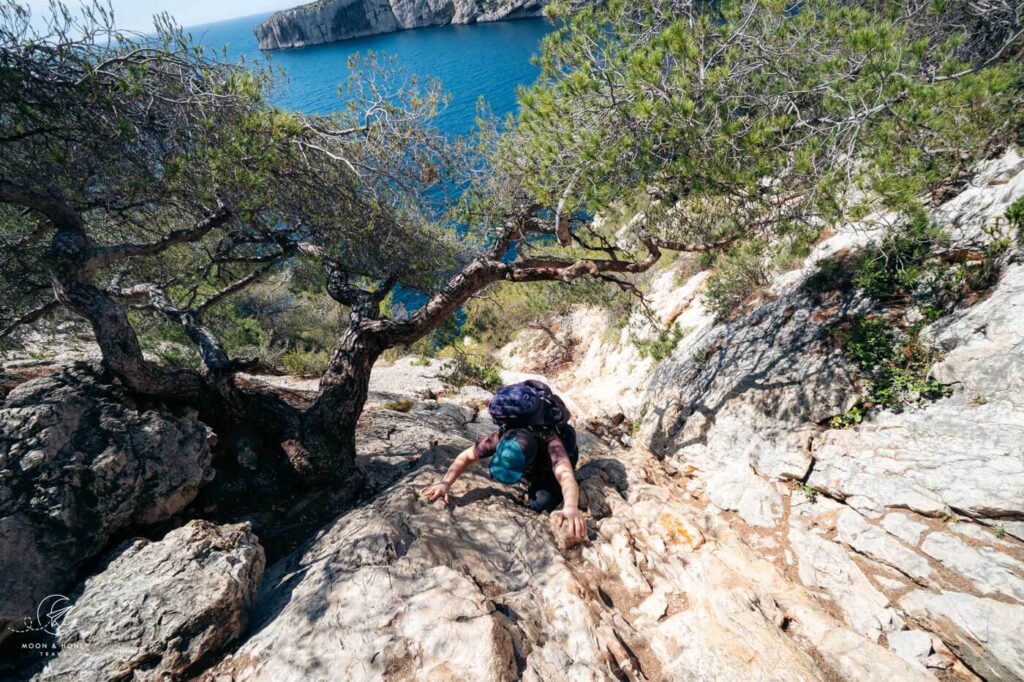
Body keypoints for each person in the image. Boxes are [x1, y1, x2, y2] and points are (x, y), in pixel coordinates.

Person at [420, 382, 587, 540]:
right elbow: (465, 456)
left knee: (540, 505)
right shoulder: (500, 436)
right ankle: (523, 473)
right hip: (531, 459)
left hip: (549, 466)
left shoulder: (549, 438)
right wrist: (445, 483)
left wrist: (571, 506)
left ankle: (534, 479)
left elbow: (565, 474)